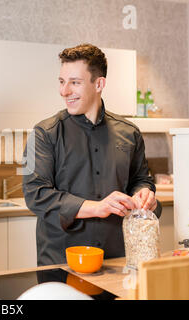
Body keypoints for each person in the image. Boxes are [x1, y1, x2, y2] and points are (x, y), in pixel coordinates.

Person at [22, 43, 161, 266]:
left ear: (99, 83)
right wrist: (97, 207)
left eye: (74, 82)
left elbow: (141, 179)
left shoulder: (130, 133)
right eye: (61, 81)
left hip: (118, 260)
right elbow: (35, 195)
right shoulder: (42, 133)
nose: (64, 91)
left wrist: (144, 193)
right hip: (62, 263)